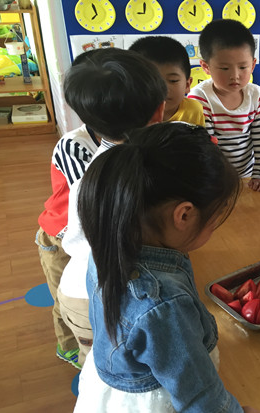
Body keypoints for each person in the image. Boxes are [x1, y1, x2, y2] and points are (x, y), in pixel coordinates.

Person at [73, 123, 260, 413]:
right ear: (184, 215)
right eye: (214, 220)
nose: (215, 228)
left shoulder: (108, 246)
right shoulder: (163, 304)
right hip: (156, 400)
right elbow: (200, 397)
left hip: (115, 388)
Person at [57, 48, 167, 369]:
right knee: (111, 370)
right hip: (102, 298)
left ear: (86, 119)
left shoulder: (91, 172)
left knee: (101, 366)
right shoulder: (142, 178)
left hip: (77, 290)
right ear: (160, 110)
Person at [35, 80, 101, 370]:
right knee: (65, 298)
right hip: (60, 237)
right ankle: (68, 346)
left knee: (88, 295)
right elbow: (89, 200)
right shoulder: (73, 145)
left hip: (88, 239)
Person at [188, 19, 260, 192]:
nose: (235, 75)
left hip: (249, 175)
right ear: (206, 66)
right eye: (225, 68)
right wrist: (217, 179)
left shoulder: (255, 94)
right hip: (215, 177)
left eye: (243, 67)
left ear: (253, 64)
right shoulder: (200, 98)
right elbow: (208, 147)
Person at [129, 36, 205, 126]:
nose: (162, 89)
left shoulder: (194, 110)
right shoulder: (127, 113)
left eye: (173, 81)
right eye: (150, 81)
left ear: (187, 85)